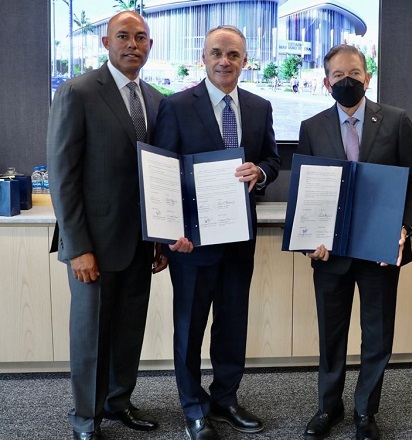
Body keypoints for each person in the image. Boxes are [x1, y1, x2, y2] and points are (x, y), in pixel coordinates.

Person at [46, 11, 190, 440]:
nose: (133, 44)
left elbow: (159, 175)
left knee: (129, 331)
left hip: (140, 245)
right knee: (90, 335)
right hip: (93, 245)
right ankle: (85, 419)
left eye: (141, 37)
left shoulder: (157, 99)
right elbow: (62, 174)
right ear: (105, 43)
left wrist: (161, 239)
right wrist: (77, 247)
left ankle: (118, 402)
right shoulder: (78, 91)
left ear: (150, 46)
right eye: (123, 36)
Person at [153, 25, 281, 440]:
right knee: (189, 326)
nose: (224, 61)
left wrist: (260, 171)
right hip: (191, 241)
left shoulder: (260, 107)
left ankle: (225, 398)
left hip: (239, 238)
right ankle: (193, 407)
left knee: (232, 323)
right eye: (216, 53)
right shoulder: (175, 106)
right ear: (203, 58)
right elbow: (164, 173)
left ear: (245, 61)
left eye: (233, 55)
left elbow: (272, 159)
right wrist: (171, 233)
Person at [297, 44, 412, 440]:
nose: (347, 80)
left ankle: (365, 412)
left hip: (379, 253)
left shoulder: (397, 121)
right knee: (331, 335)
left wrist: (404, 229)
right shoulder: (312, 127)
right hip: (330, 253)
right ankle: (328, 408)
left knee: (377, 335)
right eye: (338, 75)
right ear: (326, 82)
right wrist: (306, 239)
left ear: (367, 77)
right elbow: (306, 189)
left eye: (354, 73)